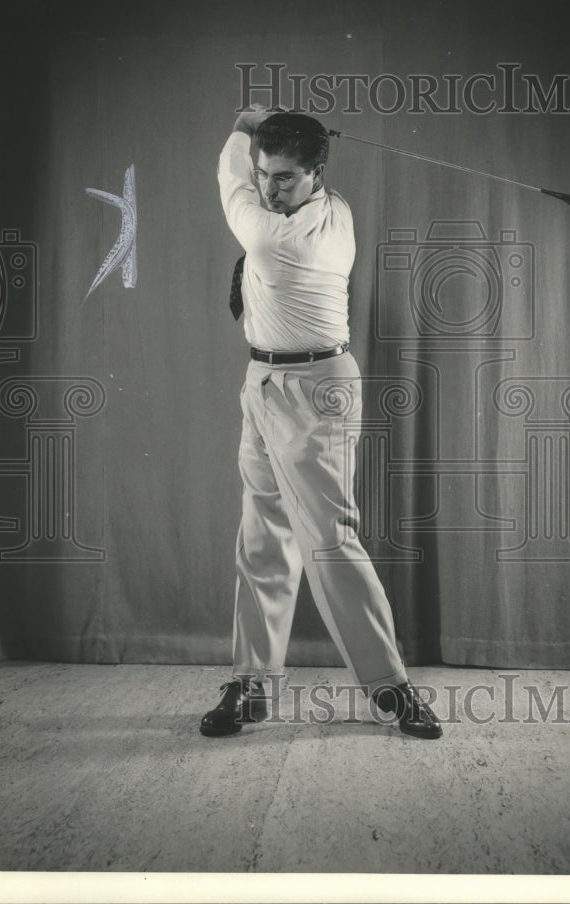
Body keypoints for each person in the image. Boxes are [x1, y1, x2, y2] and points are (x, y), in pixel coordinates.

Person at [200, 104, 442, 740]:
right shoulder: (329, 203)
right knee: (261, 534)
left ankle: (392, 688)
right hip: (262, 381)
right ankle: (252, 681)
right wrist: (265, 134)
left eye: (283, 177)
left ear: (316, 174)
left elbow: (228, 180)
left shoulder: (283, 235)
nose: (268, 188)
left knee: (330, 541)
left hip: (316, 389)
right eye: (264, 175)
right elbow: (246, 175)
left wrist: (242, 124)